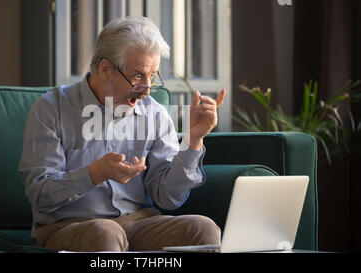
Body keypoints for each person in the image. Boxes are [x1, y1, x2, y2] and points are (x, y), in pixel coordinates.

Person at [18, 16, 226, 252]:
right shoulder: (51, 108)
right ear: (105, 69)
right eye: (138, 76)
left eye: (152, 75)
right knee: (106, 233)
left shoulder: (154, 114)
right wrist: (94, 174)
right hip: (70, 227)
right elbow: (40, 194)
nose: (147, 91)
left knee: (203, 228)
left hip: (139, 223)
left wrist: (193, 140)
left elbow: (168, 198)